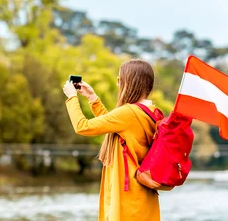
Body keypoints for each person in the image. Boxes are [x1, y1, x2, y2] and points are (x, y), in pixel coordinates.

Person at [63, 59, 160, 221]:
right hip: (143, 198)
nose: (118, 85)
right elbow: (116, 128)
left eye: (119, 80)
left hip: (125, 199)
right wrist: (93, 98)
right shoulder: (153, 112)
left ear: (129, 83)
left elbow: (82, 126)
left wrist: (72, 97)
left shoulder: (128, 113)